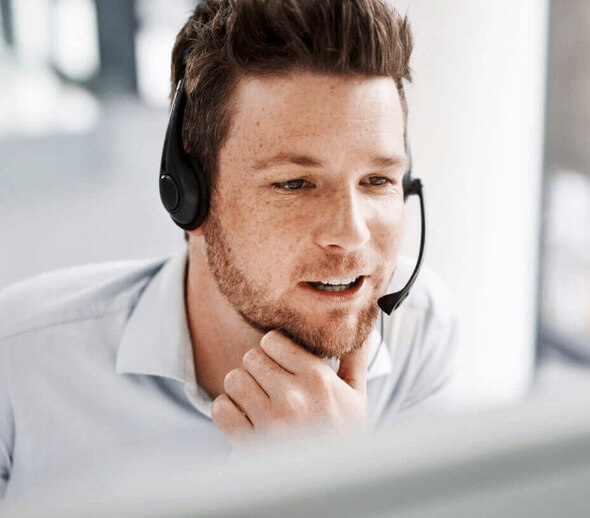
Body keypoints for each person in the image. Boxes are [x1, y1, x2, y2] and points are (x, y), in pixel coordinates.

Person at [0, 0, 457, 502]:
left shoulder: (421, 336)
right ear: (188, 194)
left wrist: (342, 482)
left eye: (377, 180)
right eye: (295, 183)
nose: (351, 235)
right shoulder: (19, 365)